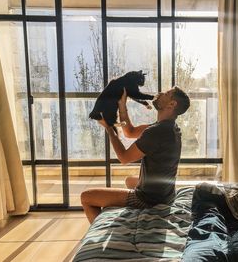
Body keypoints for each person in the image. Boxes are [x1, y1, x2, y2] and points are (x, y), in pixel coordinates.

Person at [81, 86, 190, 223]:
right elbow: (130, 132)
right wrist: (122, 105)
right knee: (129, 180)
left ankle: (101, 229)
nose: (160, 93)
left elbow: (124, 158)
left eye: (166, 94)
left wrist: (109, 128)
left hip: (149, 200)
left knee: (86, 197)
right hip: (166, 195)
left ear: (172, 104)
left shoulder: (156, 132)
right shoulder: (169, 127)